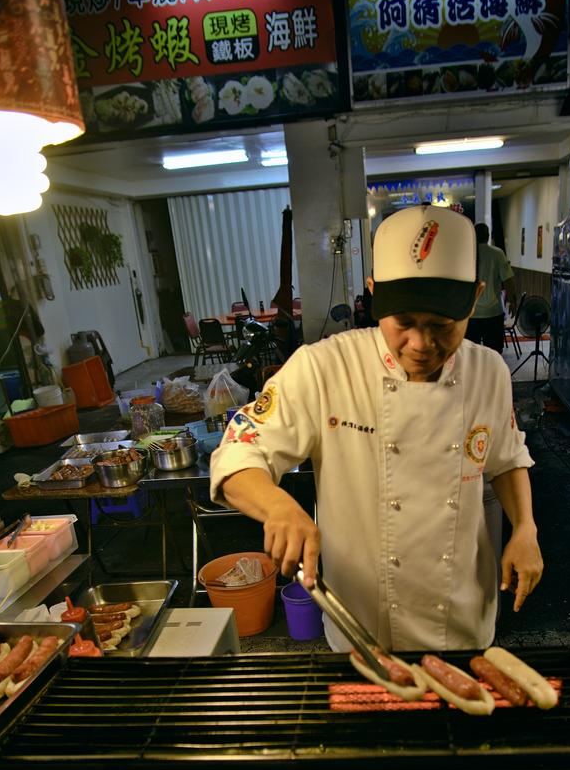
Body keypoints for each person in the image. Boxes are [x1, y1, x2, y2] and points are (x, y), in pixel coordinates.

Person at [209, 204, 543, 654]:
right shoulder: (324, 367)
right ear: (372, 294)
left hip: (462, 616)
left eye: (442, 327)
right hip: (363, 625)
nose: (421, 344)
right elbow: (239, 452)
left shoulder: (489, 372)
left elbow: (506, 459)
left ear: (477, 296)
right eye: (403, 323)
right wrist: (277, 507)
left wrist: (526, 528)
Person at [467, 222, 517, 353]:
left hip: (471, 314)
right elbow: (508, 280)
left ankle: (474, 374)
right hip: (493, 313)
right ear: (488, 236)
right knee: (494, 352)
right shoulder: (497, 254)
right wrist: (512, 300)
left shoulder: (467, 254)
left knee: (471, 354)